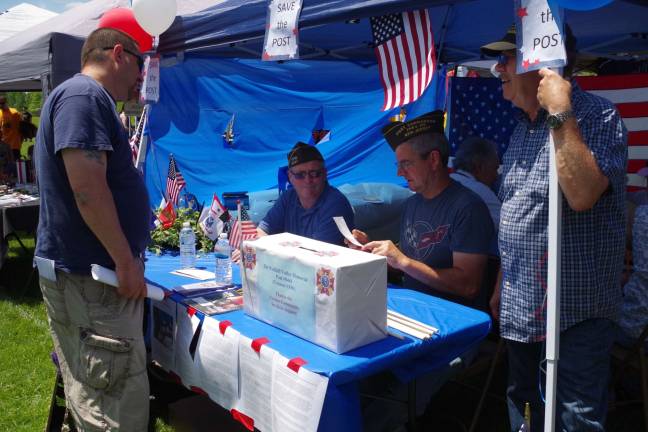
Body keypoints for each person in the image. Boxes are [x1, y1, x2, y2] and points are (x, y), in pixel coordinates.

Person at [482, 25, 627, 431]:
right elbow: (517, 212)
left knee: (573, 420)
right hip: (521, 307)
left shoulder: (597, 115)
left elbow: (582, 194)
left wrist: (560, 113)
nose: (498, 68)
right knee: (525, 414)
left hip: (575, 315)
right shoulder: (519, 128)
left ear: (541, 64)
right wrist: (500, 284)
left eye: (507, 58)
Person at [34, 27, 150, 431]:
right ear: (119, 54)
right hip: (95, 280)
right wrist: (124, 260)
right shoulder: (84, 97)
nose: (141, 76)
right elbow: (87, 190)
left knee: (94, 394)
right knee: (114, 410)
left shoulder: (84, 98)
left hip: (89, 279)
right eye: (140, 63)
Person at [352, 112, 494, 430]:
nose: (400, 173)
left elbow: (469, 285)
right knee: (355, 374)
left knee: (390, 407)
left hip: (454, 330)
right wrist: (373, 248)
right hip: (409, 318)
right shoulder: (415, 204)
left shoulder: (467, 207)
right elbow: (413, 259)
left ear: (432, 159)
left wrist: (401, 260)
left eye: (406, 164)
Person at [257, 141, 355, 245]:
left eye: (315, 173)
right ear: (290, 177)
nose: (308, 180)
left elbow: (318, 253)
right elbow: (262, 231)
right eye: (300, 175)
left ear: (325, 174)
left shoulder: (335, 204)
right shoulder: (288, 197)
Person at [450, 136, 501, 230]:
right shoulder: (482, 192)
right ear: (479, 167)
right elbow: (506, 227)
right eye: (495, 169)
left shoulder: (443, 184)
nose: (496, 176)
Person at [0, 93, 23, 161]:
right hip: (3, 146)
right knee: (4, 167)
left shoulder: (15, 113)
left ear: (6, 102)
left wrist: (20, 141)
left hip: (14, 145)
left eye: (2, 103)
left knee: (15, 166)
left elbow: (22, 128)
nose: (1, 105)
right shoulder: (0, 113)